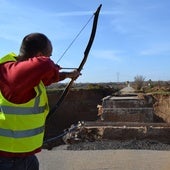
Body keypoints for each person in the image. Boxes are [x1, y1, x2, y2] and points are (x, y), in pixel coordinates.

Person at [0, 33, 81, 170]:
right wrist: (51, 65)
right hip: (7, 158)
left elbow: (44, 77)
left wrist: (66, 75)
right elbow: (43, 66)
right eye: (49, 56)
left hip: (26, 155)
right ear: (39, 55)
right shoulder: (9, 73)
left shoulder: (23, 77)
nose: (50, 59)